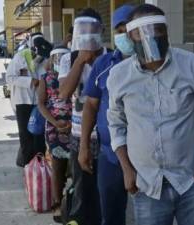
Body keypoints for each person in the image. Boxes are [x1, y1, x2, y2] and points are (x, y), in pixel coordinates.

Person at [107, 4, 194, 225]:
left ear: (167, 32)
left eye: (157, 29)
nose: (150, 37)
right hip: (148, 185)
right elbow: (116, 124)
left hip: (192, 181)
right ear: (131, 37)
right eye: (142, 32)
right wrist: (127, 170)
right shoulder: (119, 76)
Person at [79, 5, 135, 225]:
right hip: (109, 155)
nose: (124, 35)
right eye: (118, 30)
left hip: (147, 156)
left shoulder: (151, 65)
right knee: (111, 215)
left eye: (128, 29)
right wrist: (84, 146)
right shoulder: (104, 64)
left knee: (152, 214)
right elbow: (91, 106)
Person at [58, 8, 109, 225]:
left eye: (92, 29)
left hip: (107, 136)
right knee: (82, 190)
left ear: (101, 31)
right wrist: (80, 61)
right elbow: (63, 94)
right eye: (83, 30)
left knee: (106, 192)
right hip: (79, 136)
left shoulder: (111, 57)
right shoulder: (68, 59)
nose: (87, 35)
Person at [37, 45, 72, 223]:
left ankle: (75, 202)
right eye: (56, 58)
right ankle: (58, 204)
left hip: (76, 127)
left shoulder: (75, 75)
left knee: (78, 168)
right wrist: (54, 122)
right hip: (54, 129)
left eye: (63, 58)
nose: (59, 61)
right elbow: (41, 104)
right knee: (58, 167)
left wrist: (72, 123)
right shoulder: (46, 78)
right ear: (51, 60)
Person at [6, 32, 51, 167]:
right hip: (23, 102)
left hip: (39, 103)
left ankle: (40, 167)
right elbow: (10, 78)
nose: (39, 57)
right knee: (26, 137)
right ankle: (27, 167)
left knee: (39, 136)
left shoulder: (44, 58)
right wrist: (31, 81)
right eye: (37, 54)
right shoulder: (20, 57)